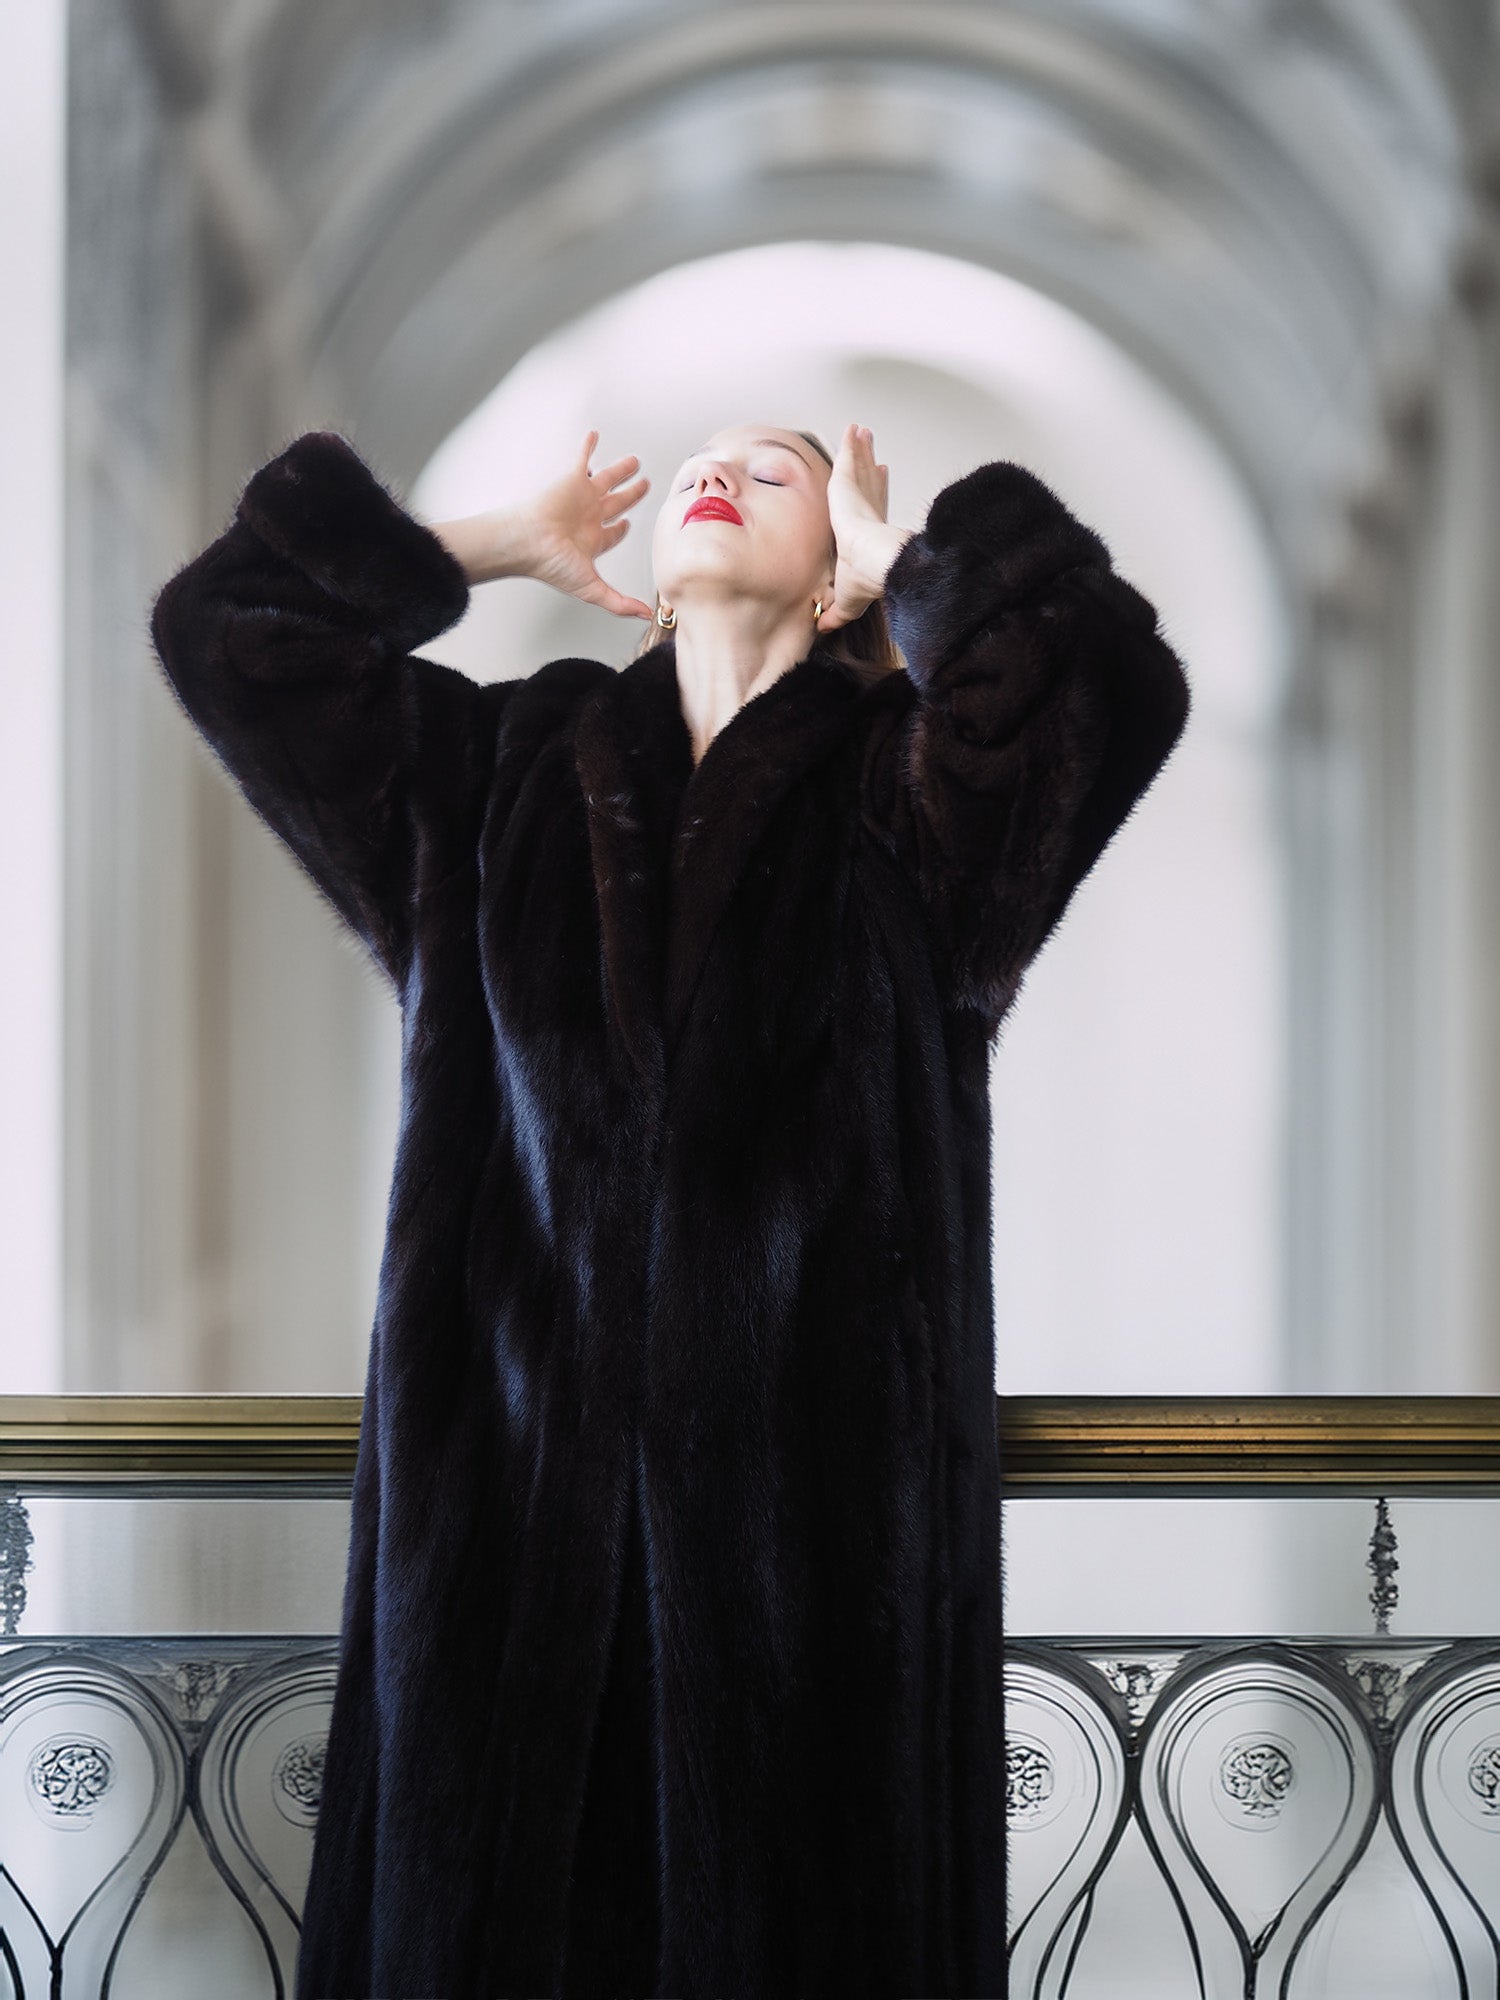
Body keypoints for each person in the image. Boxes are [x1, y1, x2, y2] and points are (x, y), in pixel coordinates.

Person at [150, 416, 1190, 1999]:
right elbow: (233, 636)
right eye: (706, 461)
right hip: (498, 1562)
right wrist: (479, 546)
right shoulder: (495, 777)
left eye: (775, 468)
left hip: (809, 1589)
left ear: (837, 563)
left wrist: (905, 573)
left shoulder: (915, 805)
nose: (722, 471)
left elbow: (1105, 682)